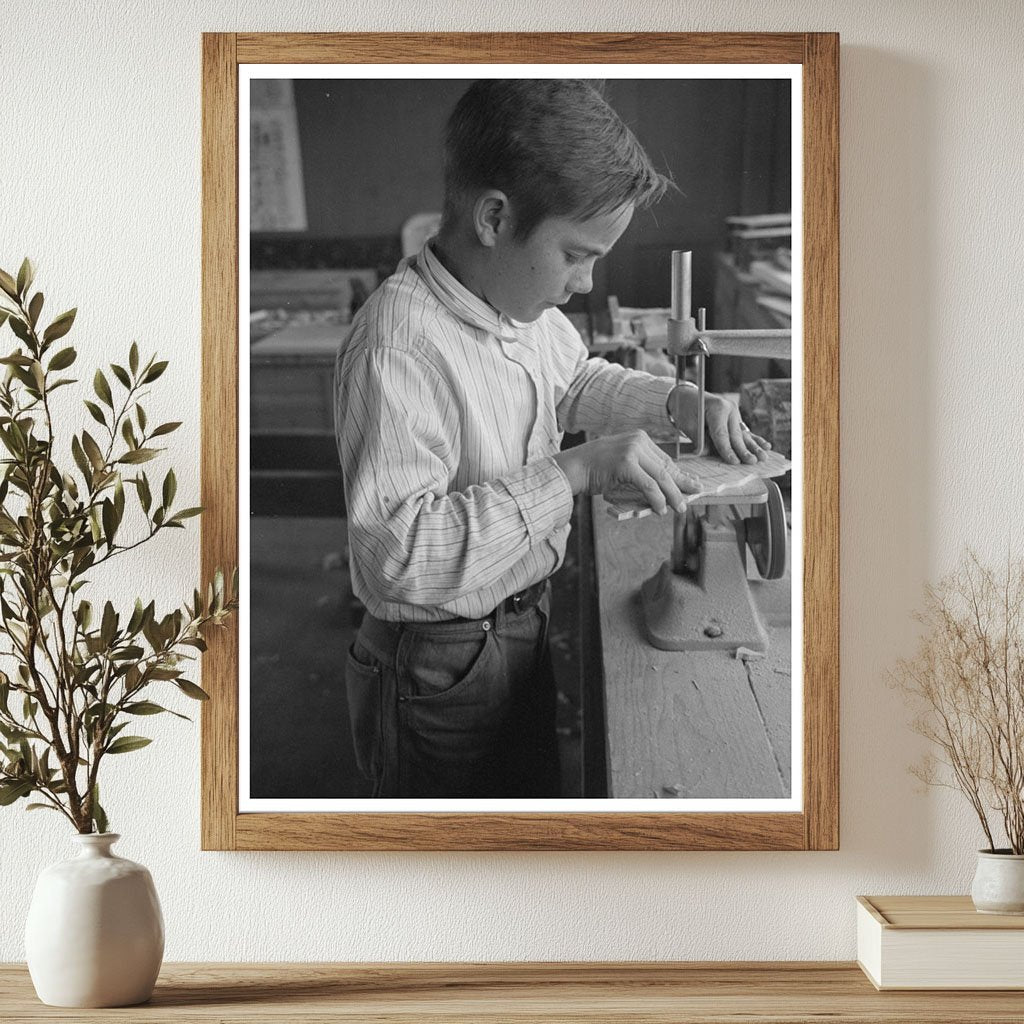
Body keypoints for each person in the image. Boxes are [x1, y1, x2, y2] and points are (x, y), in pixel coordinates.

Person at [334, 79, 769, 799]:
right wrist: (574, 472)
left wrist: (674, 400)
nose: (588, 282)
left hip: (519, 623)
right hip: (434, 668)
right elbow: (397, 558)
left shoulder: (517, 306)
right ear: (496, 218)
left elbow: (576, 380)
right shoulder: (399, 347)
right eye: (575, 254)